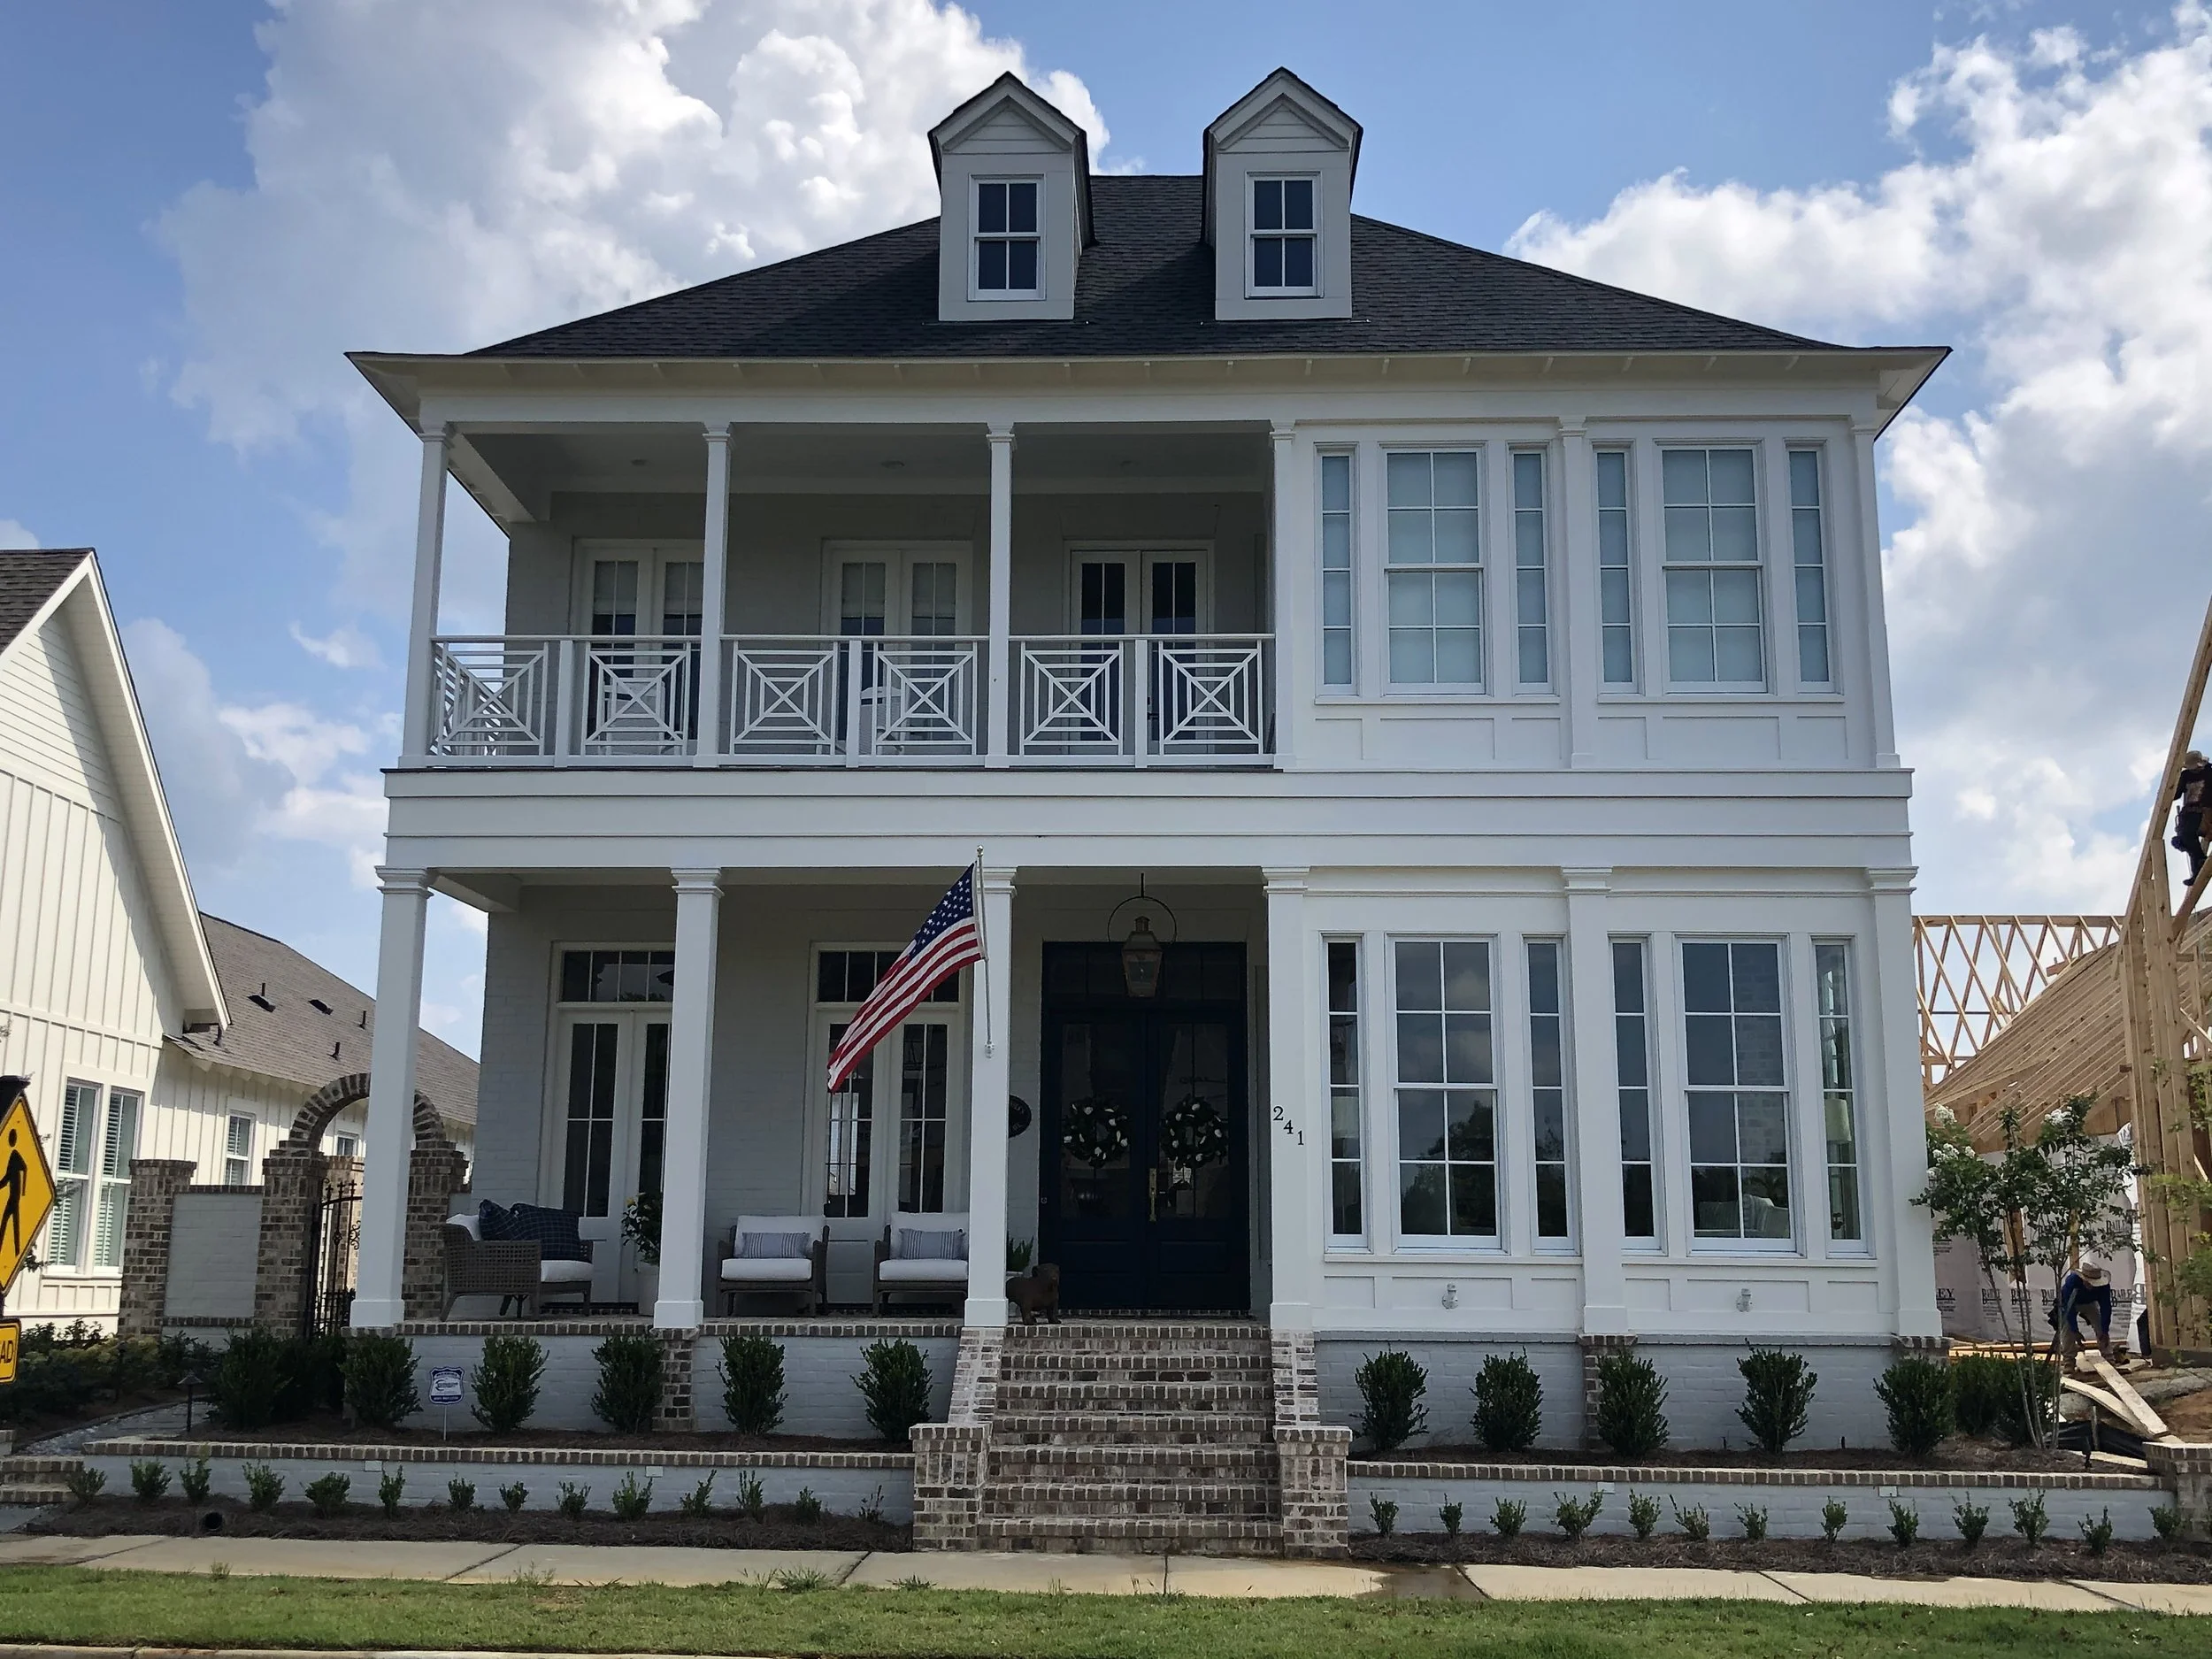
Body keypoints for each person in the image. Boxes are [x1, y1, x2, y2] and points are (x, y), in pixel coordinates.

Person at [2055, 1262, 2115, 1360]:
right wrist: (2075, 1331)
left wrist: (2105, 1330)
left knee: (2099, 1324)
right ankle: (2068, 1360)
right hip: (2071, 1304)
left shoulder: (2104, 1286)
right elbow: (2068, 1308)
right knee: (2067, 1329)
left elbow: (2106, 1307)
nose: (2091, 1286)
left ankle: (2108, 1356)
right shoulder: (2072, 1282)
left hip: (2090, 1303)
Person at [2175, 749, 2210, 882]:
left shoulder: (2209, 773)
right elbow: (2177, 793)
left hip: (2205, 811)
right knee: (2185, 839)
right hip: (2189, 811)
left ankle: (2200, 862)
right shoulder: (2186, 776)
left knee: (2189, 835)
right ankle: (2197, 871)